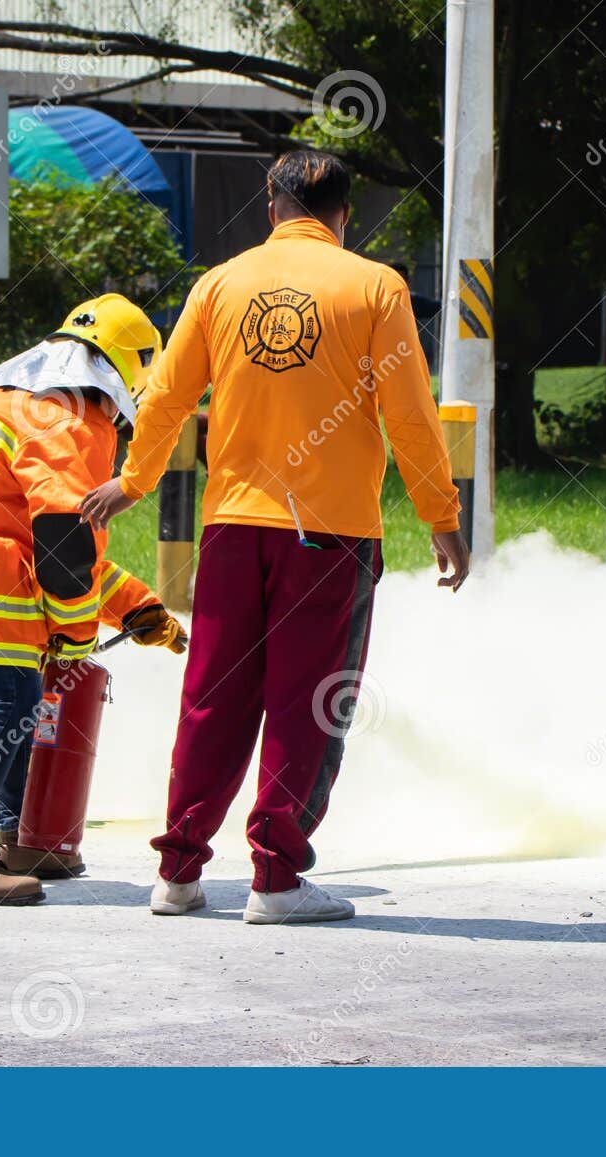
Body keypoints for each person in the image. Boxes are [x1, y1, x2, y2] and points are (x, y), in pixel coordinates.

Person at [81, 149, 471, 924]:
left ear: (271, 206)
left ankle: (180, 871)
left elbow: (163, 397)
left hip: (230, 528)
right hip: (328, 538)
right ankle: (276, 878)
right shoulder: (375, 287)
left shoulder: (219, 284)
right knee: (307, 704)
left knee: (210, 699)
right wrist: (440, 515)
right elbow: (411, 416)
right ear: (344, 216)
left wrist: (135, 479)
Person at [0, 294, 188, 906]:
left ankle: (22, 839)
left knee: (18, 695)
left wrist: (137, 610)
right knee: (14, 699)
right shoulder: (76, 415)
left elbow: (63, 551)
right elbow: (63, 548)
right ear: (130, 369)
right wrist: (76, 641)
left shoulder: (24, 399)